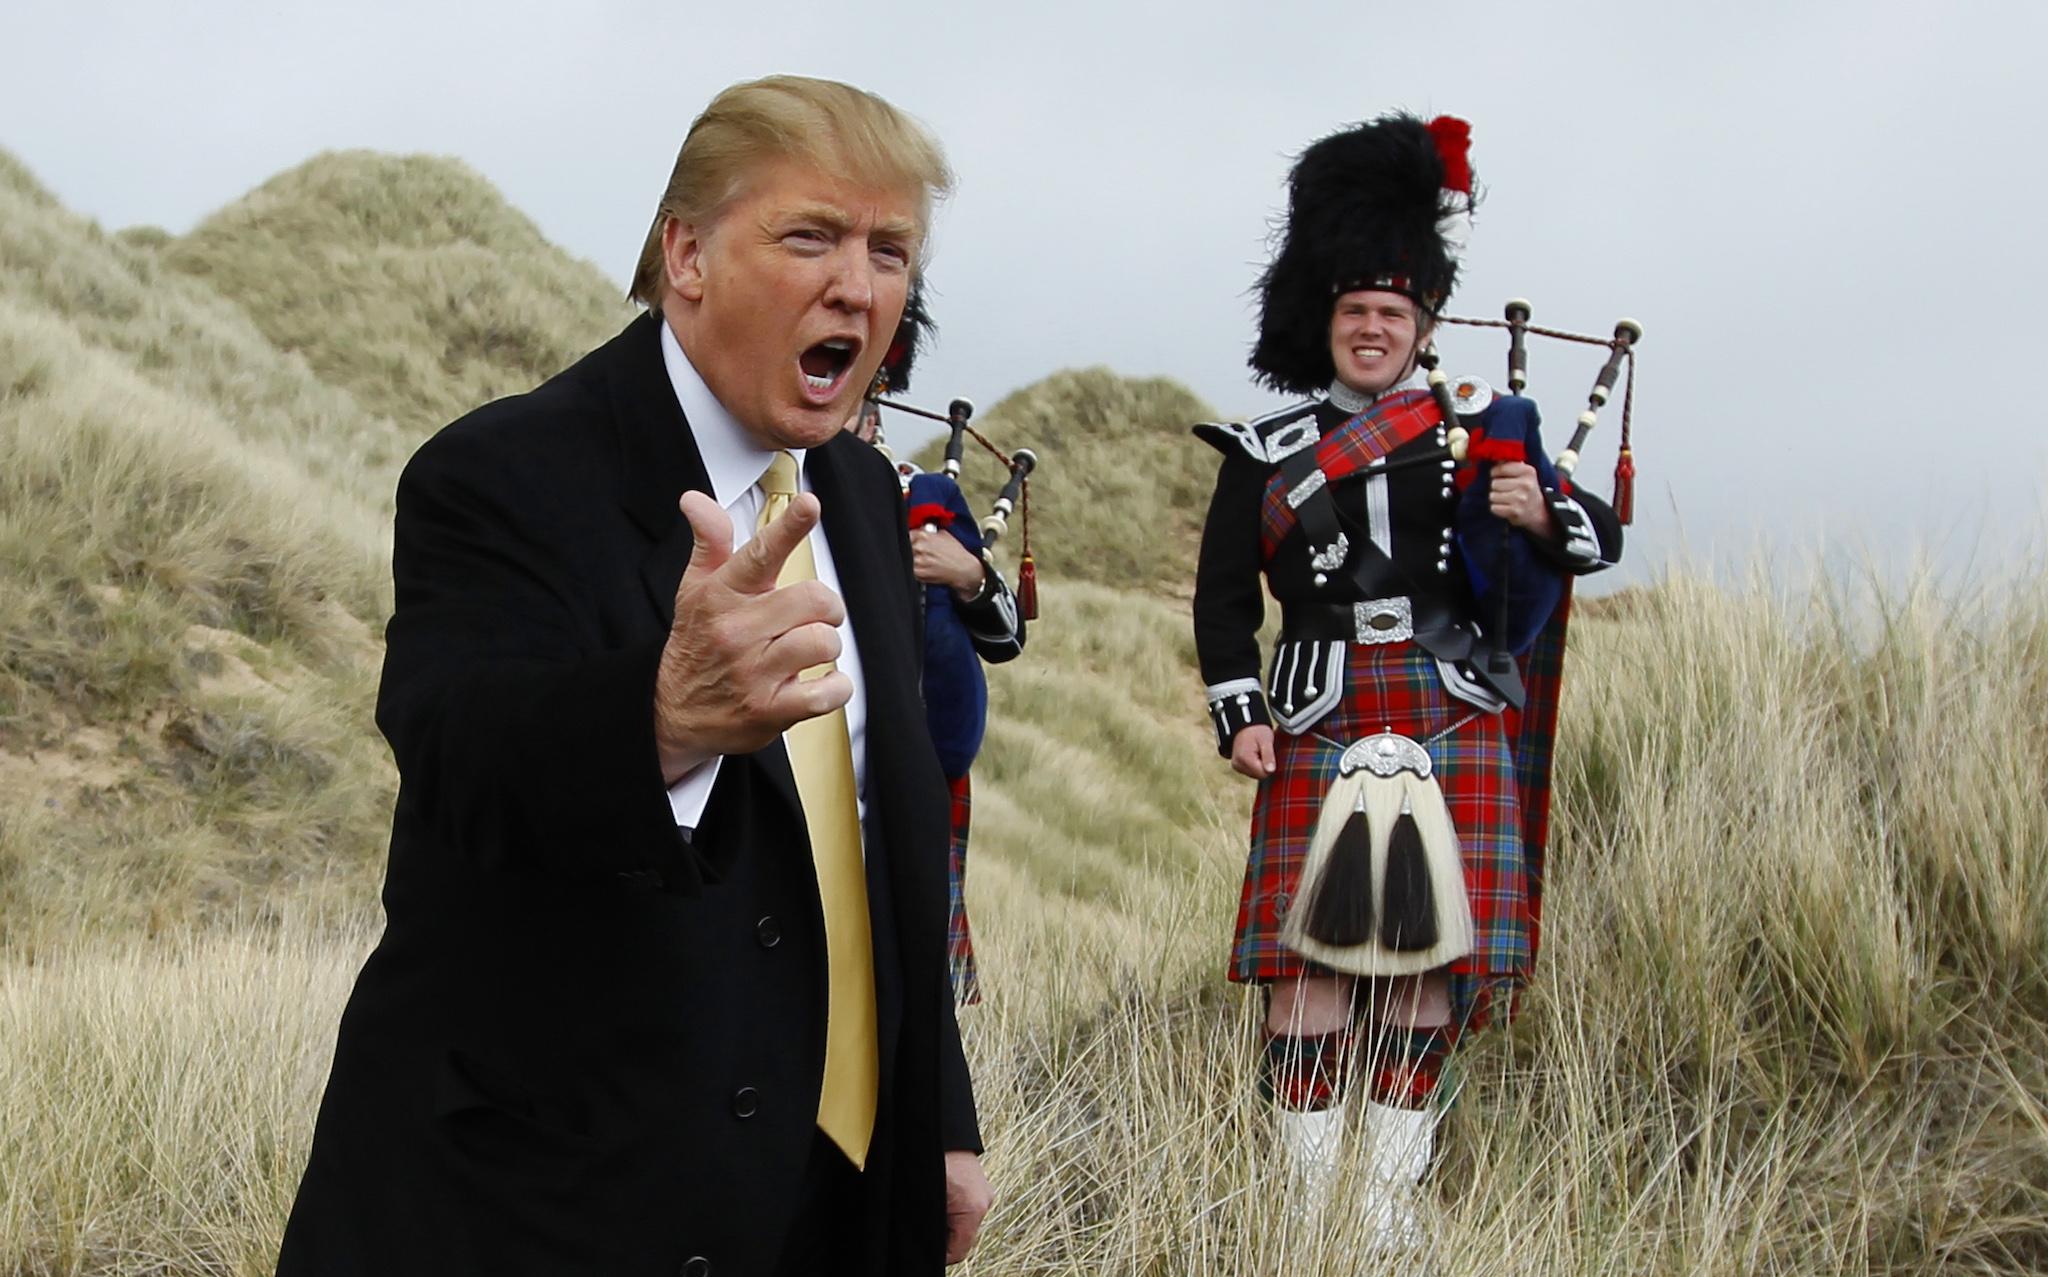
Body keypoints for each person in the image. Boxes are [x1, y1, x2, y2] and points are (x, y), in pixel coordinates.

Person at [276, 76, 990, 1276]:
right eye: (809, 235)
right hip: (546, 1205)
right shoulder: (499, 470)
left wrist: (937, 1117)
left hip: (825, 1201)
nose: (856, 286)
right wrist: (661, 720)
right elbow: (462, 752)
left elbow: (873, 838)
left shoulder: (862, 496)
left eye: (887, 250)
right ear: (687, 253)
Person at [1191, 113, 1621, 1247]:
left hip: (1453, 701)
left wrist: (1544, 510)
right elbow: (1223, 598)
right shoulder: (1265, 448)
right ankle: (1297, 1216)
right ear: (1323, 324)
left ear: (1421, 325)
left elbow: (1596, 534)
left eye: (1391, 314)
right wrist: (1239, 709)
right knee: (1303, 972)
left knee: (1422, 973)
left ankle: (1381, 1216)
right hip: (1320, 705)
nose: (1371, 330)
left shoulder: (1469, 430)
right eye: (1353, 314)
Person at [845, 290, 1026, 1003]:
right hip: (799, 761)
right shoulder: (765, 488)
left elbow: (1006, 637)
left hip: (916, 765)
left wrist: (971, 574)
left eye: (860, 394)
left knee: (913, 993)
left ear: (877, 406)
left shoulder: (925, 499)